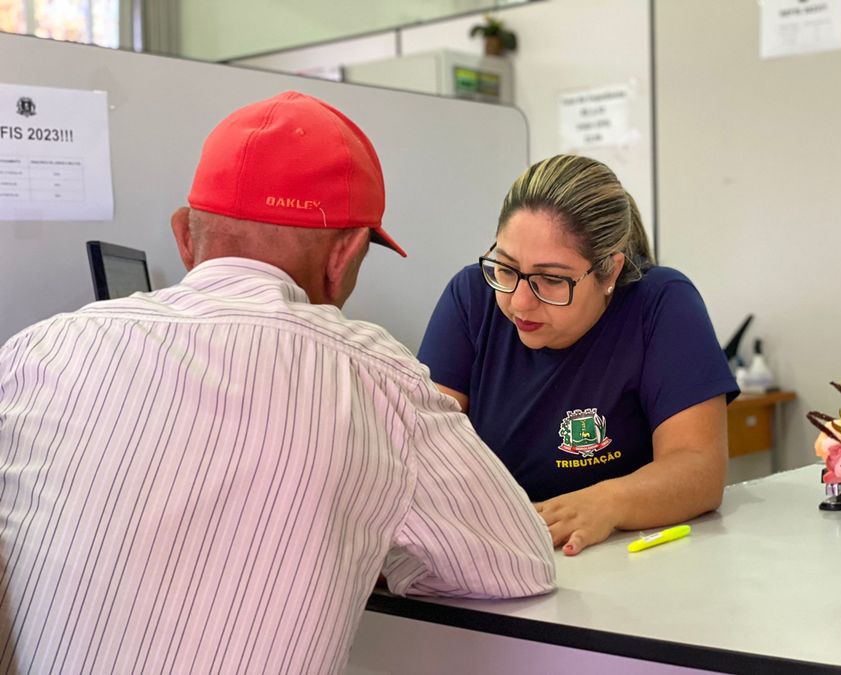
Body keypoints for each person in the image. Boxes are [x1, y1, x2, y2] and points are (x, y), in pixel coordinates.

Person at [0, 92, 554, 674]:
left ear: (184, 236)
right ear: (343, 257)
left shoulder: (36, 352)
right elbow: (517, 563)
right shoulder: (376, 379)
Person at [418, 154, 739, 557]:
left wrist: (608, 502)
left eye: (551, 280)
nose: (519, 302)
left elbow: (700, 469)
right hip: (502, 555)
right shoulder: (471, 299)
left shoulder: (660, 304)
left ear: (609, 272)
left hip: (628, 560)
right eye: (504, 268)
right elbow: (423, 450)